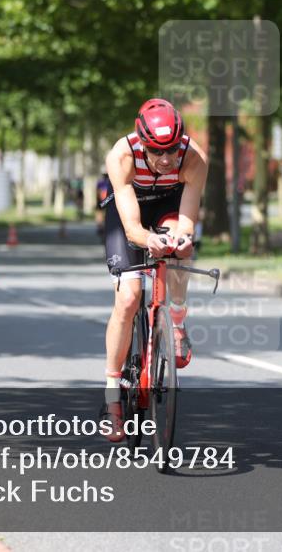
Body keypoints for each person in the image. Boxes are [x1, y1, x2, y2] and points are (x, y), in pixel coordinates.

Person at [99, 98, 208, 442]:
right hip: (130, 211)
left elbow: (187, 220)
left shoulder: (193, 158)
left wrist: (182, 240)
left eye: (171, 150)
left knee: (179, 248)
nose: (165, 159)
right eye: (156, 151)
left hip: (169, 204)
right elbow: (132, 228)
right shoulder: (122, 155)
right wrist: (148, 240)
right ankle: (112, 394)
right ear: (142, 142)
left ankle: (175, 321)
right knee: (129, 298)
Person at [95, 170, 112, 242]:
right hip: (108, 200)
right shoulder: (111, 181)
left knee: (99, 212)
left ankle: (100, 226)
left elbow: (97, 192)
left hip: (102, 201)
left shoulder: (100, 182)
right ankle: (101, 226)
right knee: (102, 213)